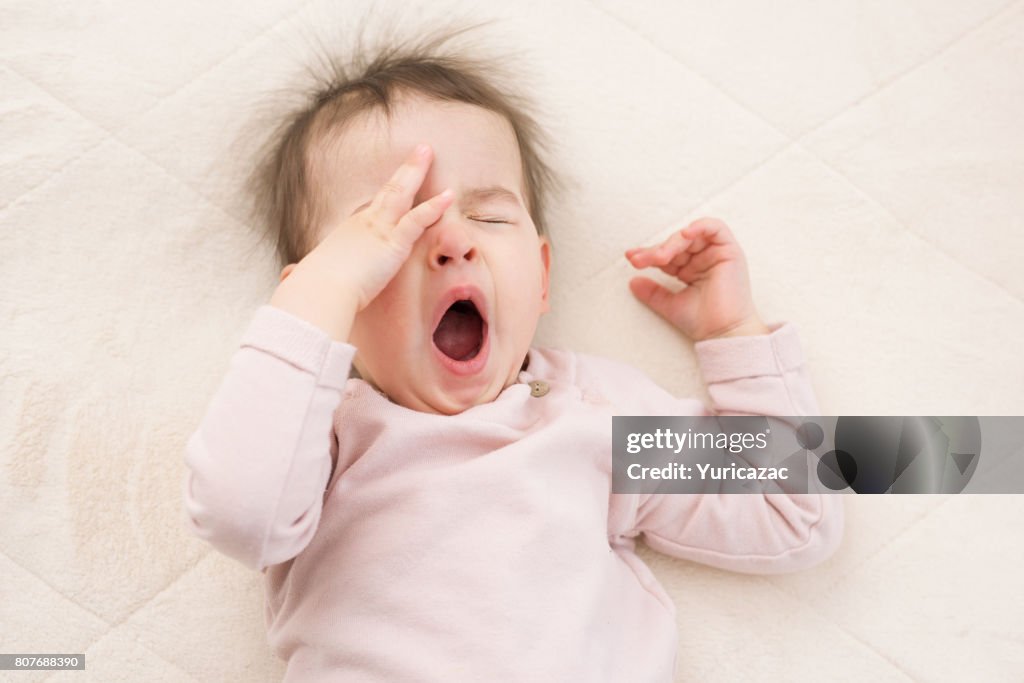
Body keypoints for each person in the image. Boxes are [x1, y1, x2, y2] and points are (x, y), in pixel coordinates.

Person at [182, 24, 843, 682]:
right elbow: (237, 513)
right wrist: (318, 298)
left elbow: (794, 511)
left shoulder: (593, 412)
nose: (453, 242)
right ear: (328, 298)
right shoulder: (319, 438)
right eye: (391, 229)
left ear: (543, 275)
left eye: (491, 218)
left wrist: (733, 334)